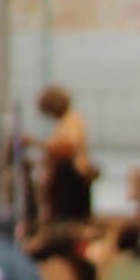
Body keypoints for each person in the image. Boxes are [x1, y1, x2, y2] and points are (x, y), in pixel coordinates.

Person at [32, 86, 95, 223]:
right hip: (63, 177)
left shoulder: (72, 121)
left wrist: (36, 143)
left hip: (70, 178)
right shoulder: (62, 124)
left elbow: (67, 149)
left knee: (69, 219)